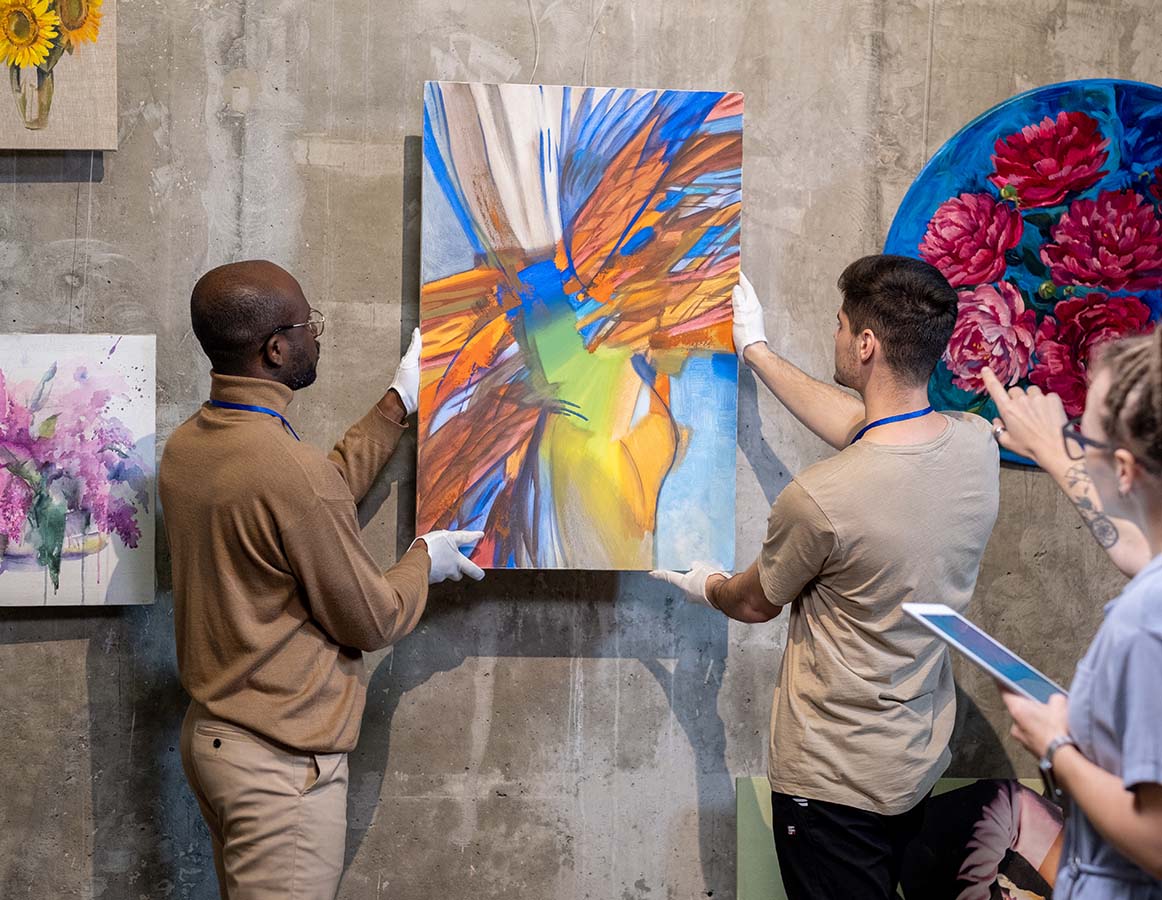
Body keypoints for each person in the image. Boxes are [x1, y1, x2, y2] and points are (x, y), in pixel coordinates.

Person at [652, 255, 1001, 899]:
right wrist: (755, 352)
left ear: (865, 344)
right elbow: (869, 429)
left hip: (832, 786)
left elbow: (754, 603)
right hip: (912, 765)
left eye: (841, 326)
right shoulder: (975, 447)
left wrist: (706, 584)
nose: (834, 334)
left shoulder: (822, 500)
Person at [159, 260, 484, 900]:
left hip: (217, 743)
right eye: (309, 324)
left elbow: (307, 498)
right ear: (276, 349)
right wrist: (426, 557)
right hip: (277, 768)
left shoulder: (189, 446)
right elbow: (374, 618)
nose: (317, 335)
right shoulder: (288, 472)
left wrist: (397, 403)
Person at [982, 336, 1162, 897]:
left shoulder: (1144, 622)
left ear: (1127, 469)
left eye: (1087, 438)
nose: (1077, 443)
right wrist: (1053, 451)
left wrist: (1056, 746)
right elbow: (1136, 547)